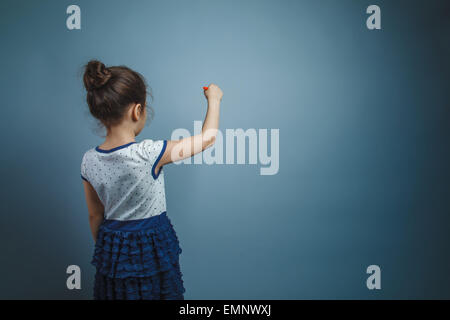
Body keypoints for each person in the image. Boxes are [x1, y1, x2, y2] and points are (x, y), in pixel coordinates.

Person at [80, 60, 223, 299]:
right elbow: (207, 138)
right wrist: (215, 99)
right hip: (151, 250)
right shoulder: (149, 153)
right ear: (137, 110)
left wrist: (111, 253)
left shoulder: (88, 160)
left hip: (112, 251)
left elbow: (95, 215)